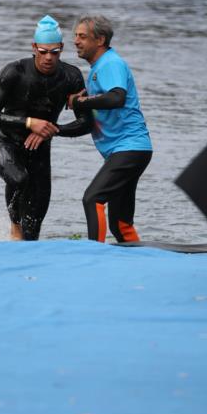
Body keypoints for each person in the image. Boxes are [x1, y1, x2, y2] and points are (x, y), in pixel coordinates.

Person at [0, 14, 93, 241]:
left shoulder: (71, 77)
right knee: (18, 179)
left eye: (54, 52)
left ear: (61, 48)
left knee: (33, 229)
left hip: (40, 153)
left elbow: (87, 123)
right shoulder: (14, 72)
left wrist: (54, 129)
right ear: (34, 47)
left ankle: (26, 259)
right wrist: (30, 123)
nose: (48, 58)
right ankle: (14, 228)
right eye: (43, 52)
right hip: (7, 144)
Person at [71, 14, 152, 243]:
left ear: (100, 40)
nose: (76, 41)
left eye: (82, 36)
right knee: (120, 222)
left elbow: (117, 98)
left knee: (92, 198)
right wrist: (56, 130)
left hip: (129, 148)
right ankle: (138, 259)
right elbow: (92, 122)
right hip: (132, 150)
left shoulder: (110, 63)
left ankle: (94, 256)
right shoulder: (99, 67)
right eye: (75, 36)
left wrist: (81, 102)